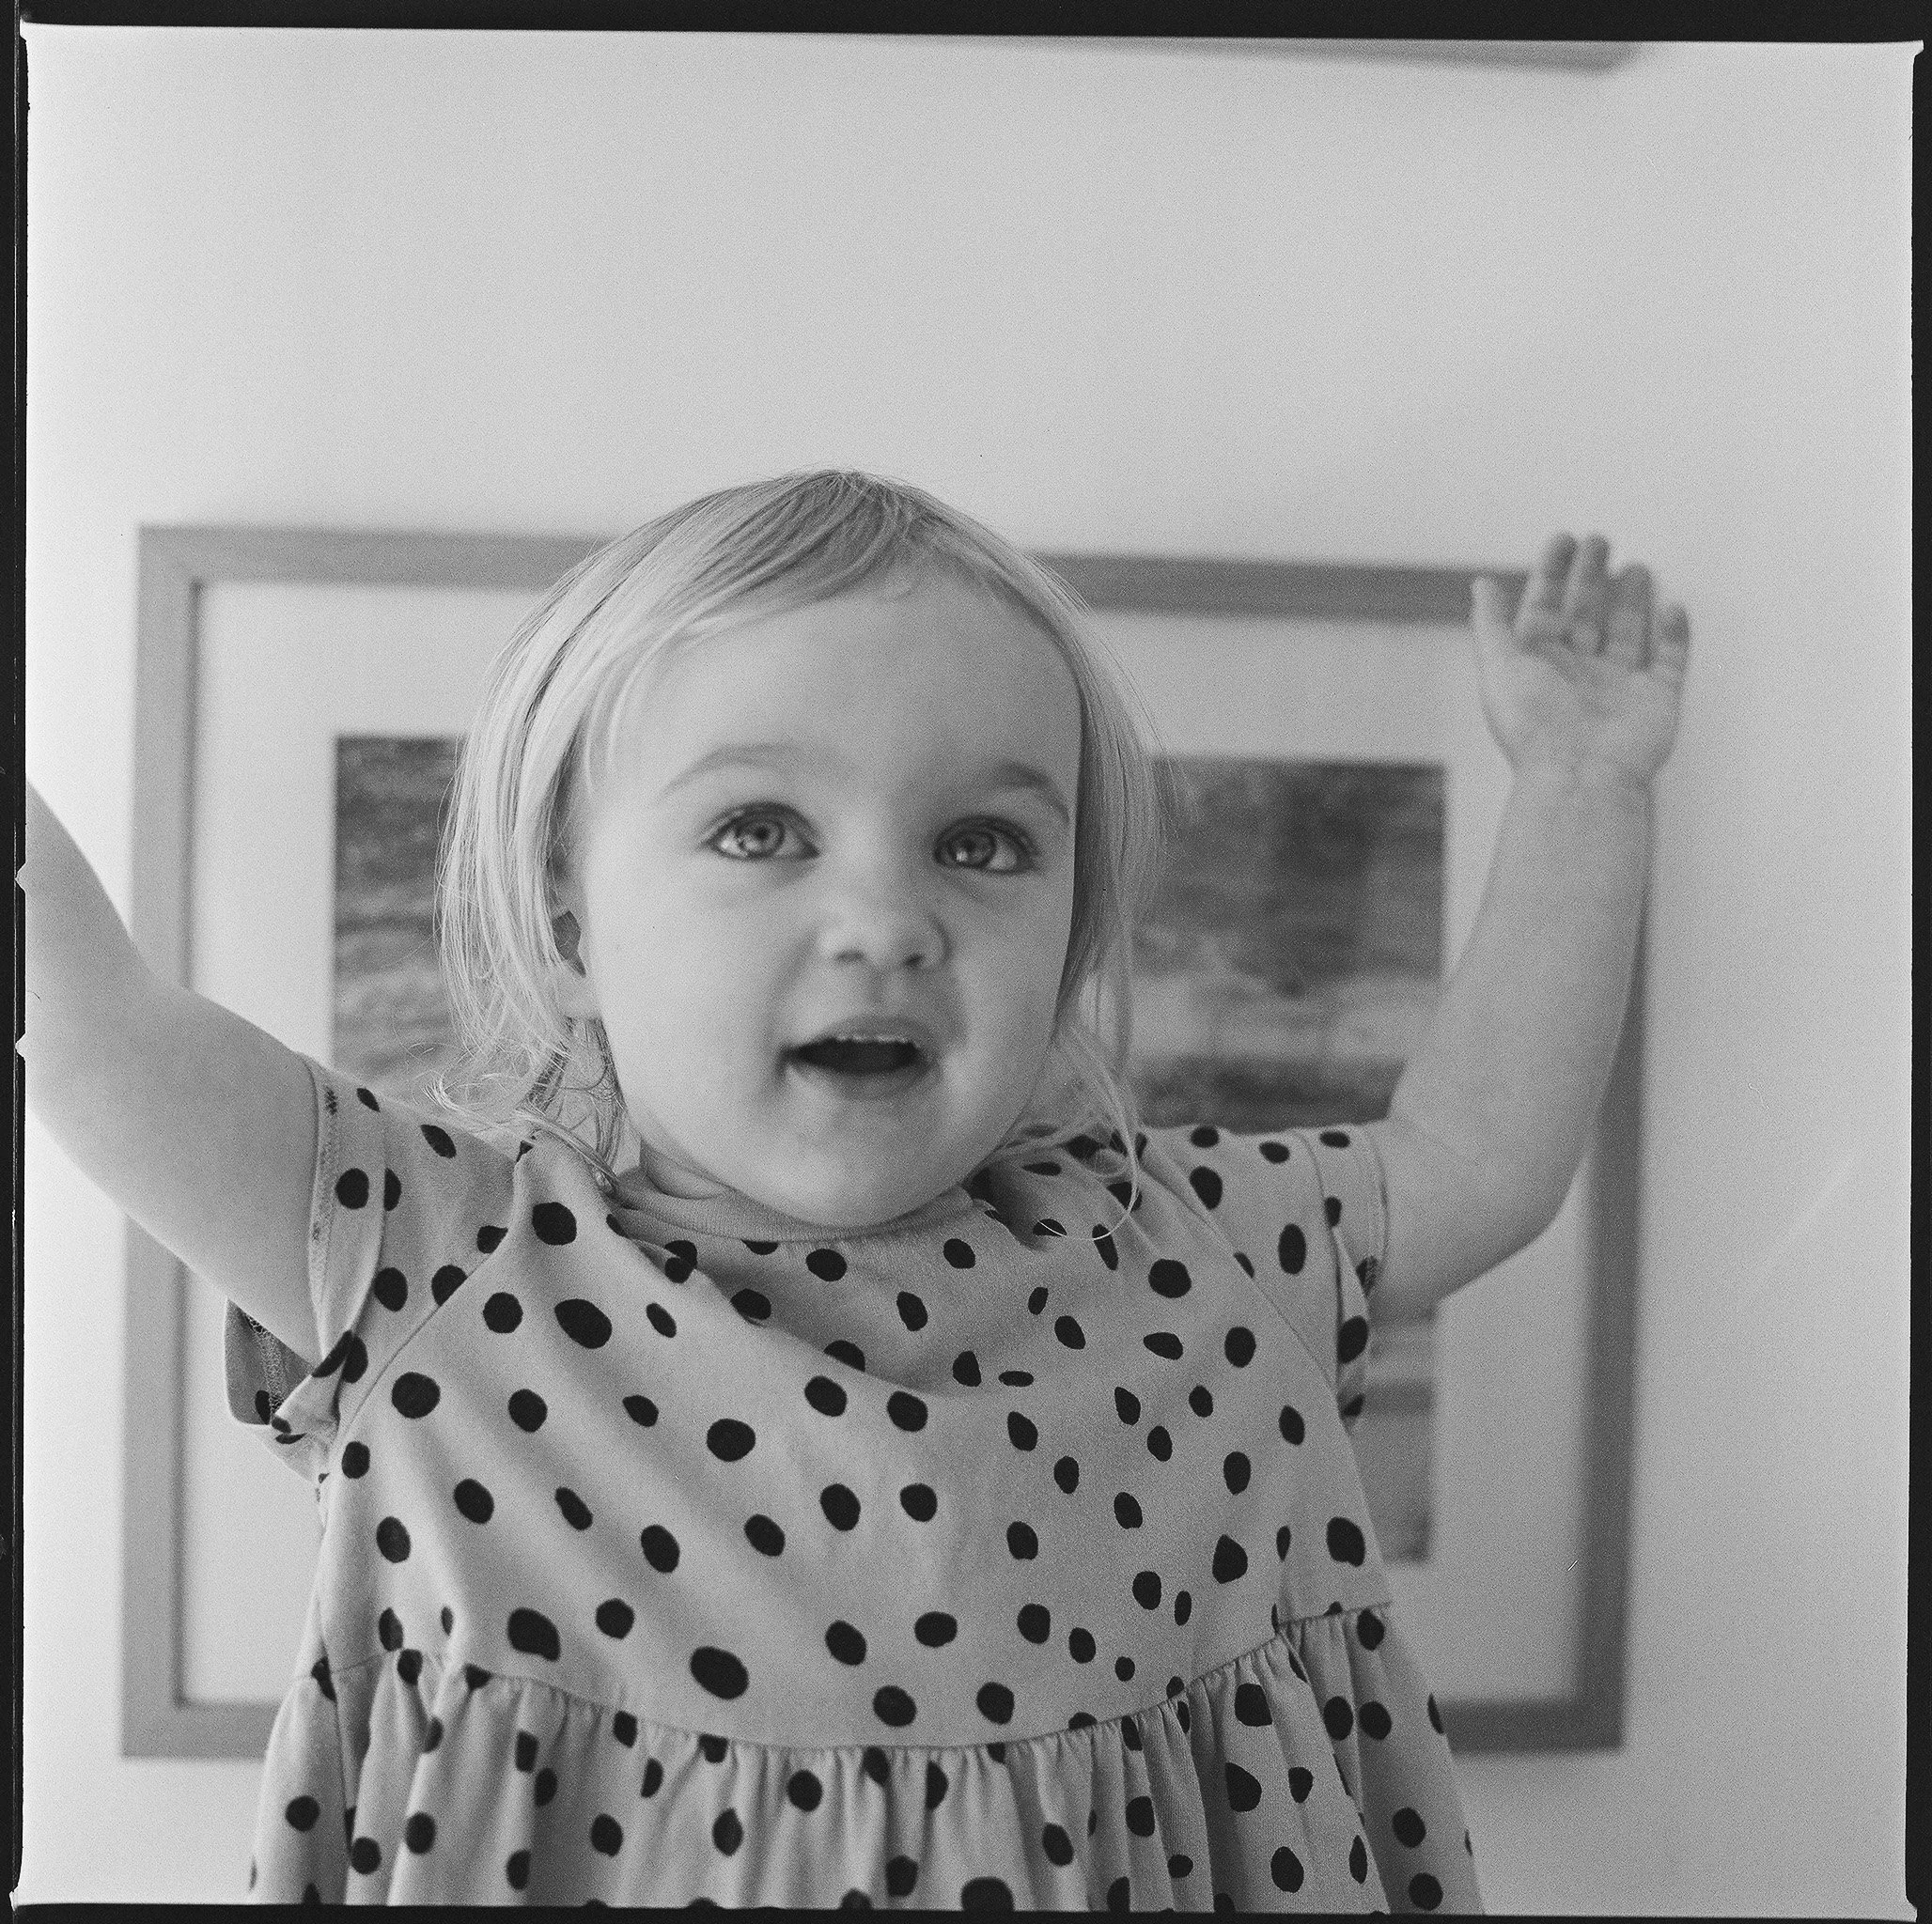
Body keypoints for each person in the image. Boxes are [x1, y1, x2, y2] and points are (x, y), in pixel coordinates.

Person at [20, 472, 1689, 1911]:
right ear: (571, 914)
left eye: (984, 843)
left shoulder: (1195, 1258)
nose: (888, 914)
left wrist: (1586, 788)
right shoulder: (438, 1261)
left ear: (1073, 932)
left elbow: (1478, 1161)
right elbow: (96, 1036)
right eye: (760, 829)